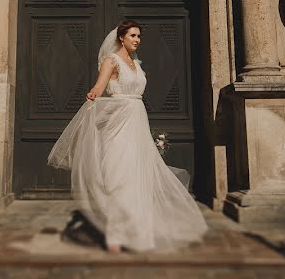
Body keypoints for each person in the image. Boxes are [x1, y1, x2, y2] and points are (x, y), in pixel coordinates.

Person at [47, 20, 208, 252]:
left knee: (138, 177)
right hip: (118, 124)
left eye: (139, 36)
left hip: (137, 120)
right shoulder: (111, 61)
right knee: (119, 177)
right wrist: (92, 94)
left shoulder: (136, 63)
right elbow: (99, 87)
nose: (137, 39)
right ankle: (115, 234)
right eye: (133, 35)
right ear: (121, 37)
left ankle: (138, 233)